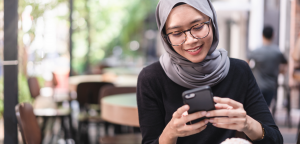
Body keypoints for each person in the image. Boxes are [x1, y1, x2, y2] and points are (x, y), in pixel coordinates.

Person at [137, 0, 283, 144]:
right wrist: (170, 133)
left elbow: (275, 139)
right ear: (166, 38)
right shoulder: (151, 78)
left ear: (212, 22)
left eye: (198, 26)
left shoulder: (239, 71)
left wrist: (247, 124)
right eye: (176, 33)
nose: (190, 40)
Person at [247, 26, 287, 106]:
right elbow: (285, 64)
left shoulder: (256, 51)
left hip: (258, 85)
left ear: (262, 35)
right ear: (273, 35)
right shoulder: (278, 52)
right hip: (271, 86)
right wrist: (280, 71)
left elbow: (246, 63)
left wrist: (252, 70)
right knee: (267, 107)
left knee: (257, 108)